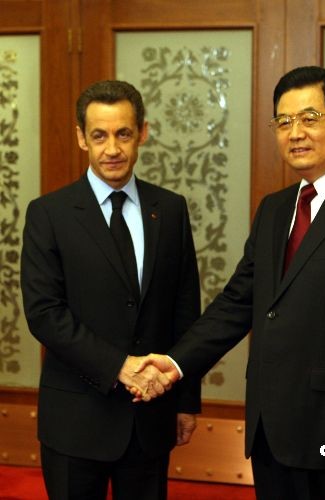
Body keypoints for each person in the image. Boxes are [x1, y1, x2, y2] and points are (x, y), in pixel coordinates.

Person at [132, 66, 325, 499]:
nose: (295, 133)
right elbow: (236, 303)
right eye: (283, 122)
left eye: (309, 118)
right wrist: (174, 364)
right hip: (270, 430)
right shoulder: (275, 209)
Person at [20, 80, 201, 500]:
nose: (112, 149)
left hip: (150, 420)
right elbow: (44, 314)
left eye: (123, 134)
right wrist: (119, 366)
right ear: (81, 137)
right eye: (99, 135)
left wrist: (186, 400)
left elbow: (185, 311)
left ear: (143, 133)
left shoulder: (170, 209)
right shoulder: (49, 214)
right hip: (75, 421)